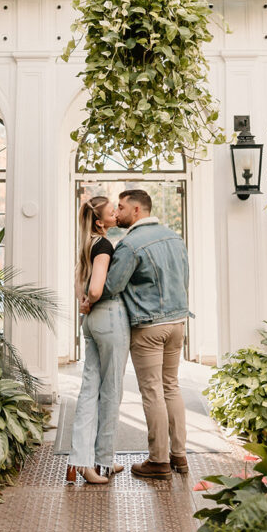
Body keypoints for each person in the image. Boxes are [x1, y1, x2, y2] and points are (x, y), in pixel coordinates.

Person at [81, 189, 190, 482]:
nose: (118, 212)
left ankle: (158, 461)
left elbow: (112, 285)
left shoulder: (129, 245)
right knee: (171, 387)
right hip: (178, 322)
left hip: (148, 327)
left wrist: (88, 301)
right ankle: (179, 455)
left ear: (138, 210)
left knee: (152, 390)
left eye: (122, 207)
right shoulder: (174, 237)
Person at [65, 195, 131, 485]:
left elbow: (81, 285)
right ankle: (101, 460)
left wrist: (85, 304)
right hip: (109, 319)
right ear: (100, 221)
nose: (116, 213)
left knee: (90, 390)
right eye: (111, 211)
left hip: (91, 323)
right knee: (112, 391)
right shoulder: (104, 245)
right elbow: (94, 288)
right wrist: (90, 300)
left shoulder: (87, 243)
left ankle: (85, 461)